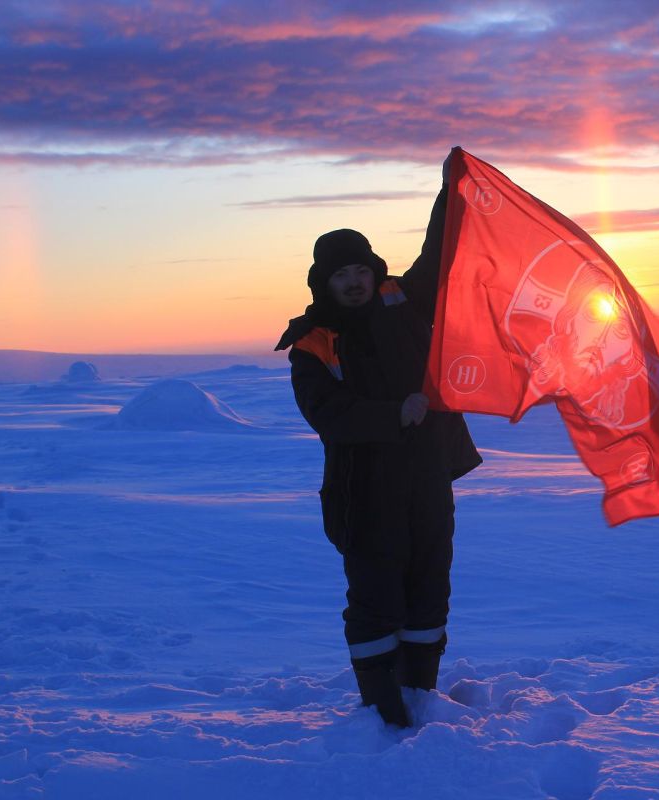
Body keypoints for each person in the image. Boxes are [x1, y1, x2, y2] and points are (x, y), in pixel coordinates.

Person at [275, 150, 481, 727]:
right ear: (325, 283)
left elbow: (438, 253)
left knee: (428, 590)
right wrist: (396, 414)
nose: (355, 281)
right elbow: (328, 414)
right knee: (375, 599)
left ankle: (419, 695)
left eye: (361, 270)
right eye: (342, 275)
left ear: (373, 270)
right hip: (362, 491)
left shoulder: (405, 300)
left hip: (427, 477)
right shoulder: (314, 343)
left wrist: (450, 189)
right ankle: (382, 714)